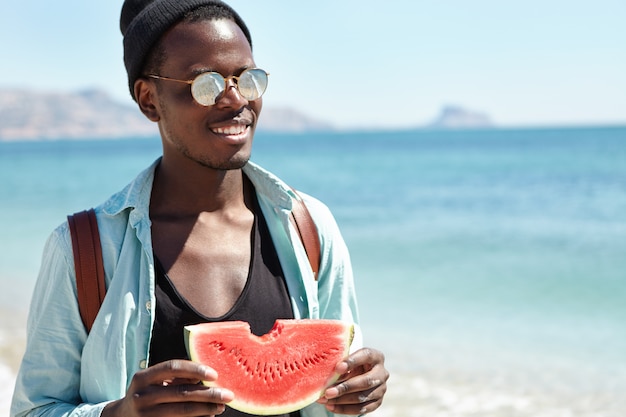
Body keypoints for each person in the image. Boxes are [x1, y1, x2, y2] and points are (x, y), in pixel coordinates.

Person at [11, 1, 389, 416]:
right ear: (148, 99)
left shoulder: (309, 227)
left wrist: (357, 393)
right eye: (204, 84)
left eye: (247, 79)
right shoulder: (82, 249)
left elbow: (334, 384)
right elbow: (35, 409)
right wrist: (119, 414)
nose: (234, 99)